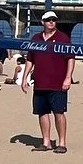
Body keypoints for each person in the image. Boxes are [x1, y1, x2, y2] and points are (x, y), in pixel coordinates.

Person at [24, 10, 73, 153]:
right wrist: (25, 78)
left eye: (53, 19)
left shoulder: (63, 38)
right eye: (48, 20)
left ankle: (62, 142)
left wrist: (68, 77)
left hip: (58, 83)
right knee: (42, 112)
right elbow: (29, 60)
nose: (51, 22)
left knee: (59, 112)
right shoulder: (36, 38)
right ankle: (46, 142)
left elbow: (70, 58)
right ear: (42, 22)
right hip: (40, 82)